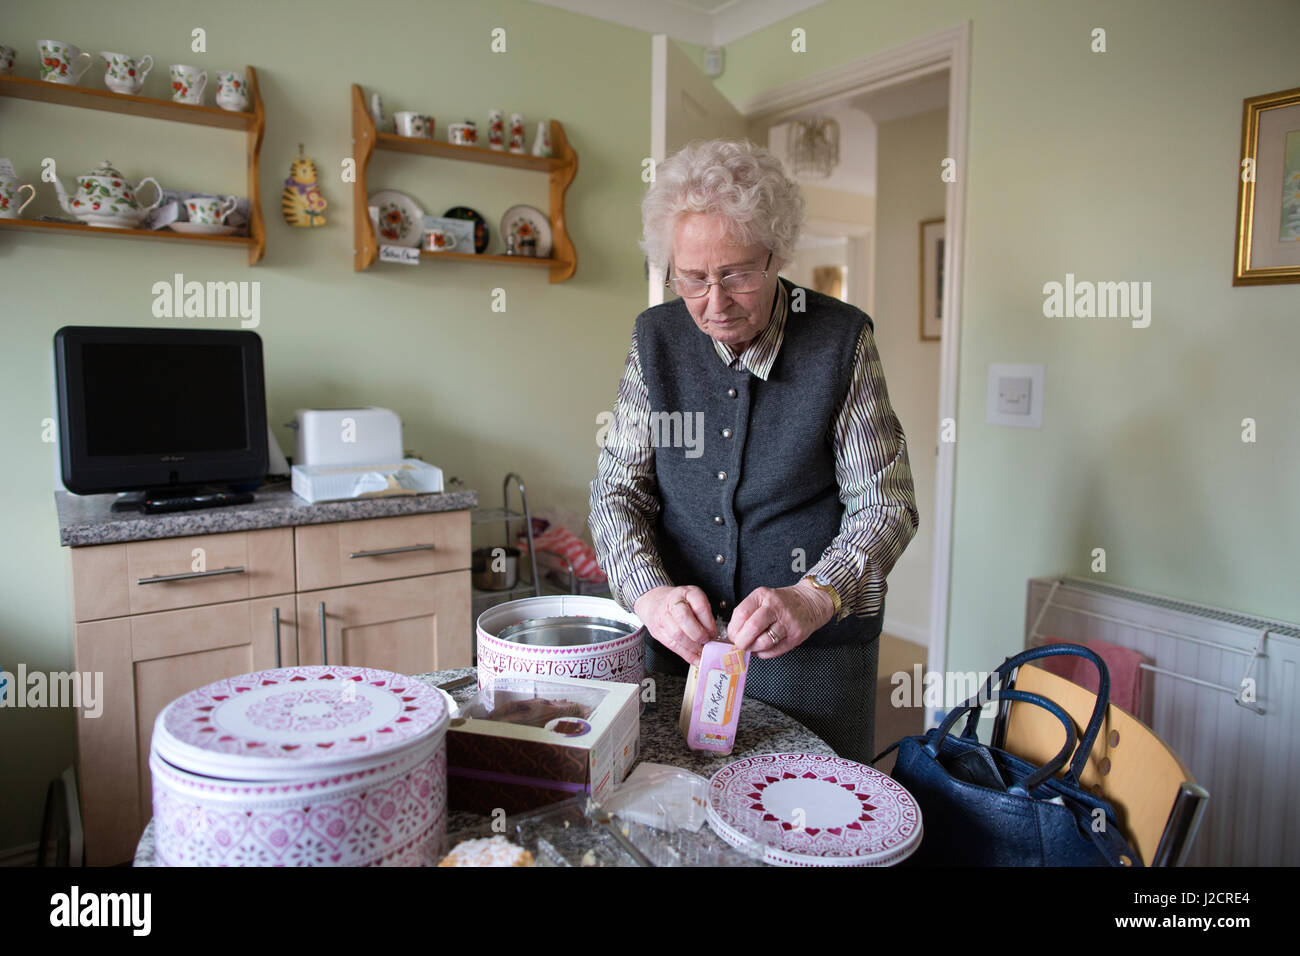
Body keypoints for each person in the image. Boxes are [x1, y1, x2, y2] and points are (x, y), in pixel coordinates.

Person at [588, 138, 918, 763]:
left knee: (813, 832)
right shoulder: (655, 340)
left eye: (737, 274)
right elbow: (617, 490)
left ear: (777, 255)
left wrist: (815, 596)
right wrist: (649, 593)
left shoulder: (840, 339)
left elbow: (886, 506)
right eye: (691, 278)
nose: (714, 304)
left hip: (814, 655)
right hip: (678, 647)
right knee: (677, 808)